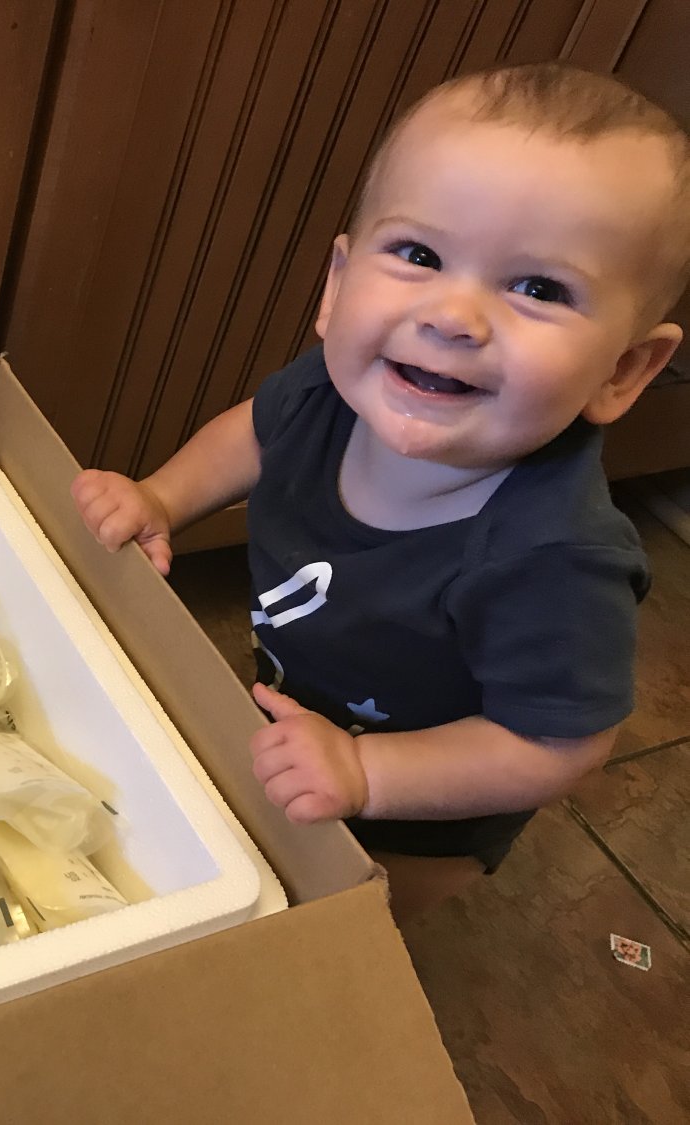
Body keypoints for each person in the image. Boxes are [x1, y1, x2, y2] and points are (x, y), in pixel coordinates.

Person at [72, 62, 690, 926]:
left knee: (369, 903)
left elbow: (560, 744)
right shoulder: (334, 391)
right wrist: (163, 496)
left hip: (432, 795)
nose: (453, 316)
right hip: (303, 701)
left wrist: (371, 777)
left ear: (624, 369)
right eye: (420, 254)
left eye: (539, 288)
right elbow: (256, 431)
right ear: (336, 285)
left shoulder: (554, 559)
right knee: (269, 847)